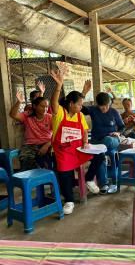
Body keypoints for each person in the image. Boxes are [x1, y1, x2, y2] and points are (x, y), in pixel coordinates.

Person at [50, 70, 100, 215]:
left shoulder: (79, 115)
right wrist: (58, 86)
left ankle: (89, 179)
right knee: (64, 173)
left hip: (78, 149)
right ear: (71, 104)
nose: (81, 107)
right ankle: (69, 201)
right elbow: (53, 104)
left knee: (100, 156)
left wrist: (85, 143)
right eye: (79, 105)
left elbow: (84, 131)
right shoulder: (60, 113)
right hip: (62, 151)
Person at [82, 80, 126, 194]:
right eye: (101, 106)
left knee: (104, 143)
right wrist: (84, 92)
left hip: (112, 139)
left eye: (106, 106)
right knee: (100, 154)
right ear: (97, 105)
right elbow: (80, 108)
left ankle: (94, 170)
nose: (104, 108)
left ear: (110, 103)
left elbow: (122, 127)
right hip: (97, 140)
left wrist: (118, 133)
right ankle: (105, 183)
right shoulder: (93, 110)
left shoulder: (114, 112)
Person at [9, 90, 52, 170]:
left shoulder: (50, 117)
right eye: (42, 106)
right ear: (35, 106)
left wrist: (47, 145)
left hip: (47, 143)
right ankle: (40, 172)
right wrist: (19, 102)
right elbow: (12, 114)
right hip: (31, 145)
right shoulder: (27, 115)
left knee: (57, 154)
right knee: (24, 157)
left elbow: (57, 133)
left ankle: (54, 175)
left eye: (46, 107)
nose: (45, 109)